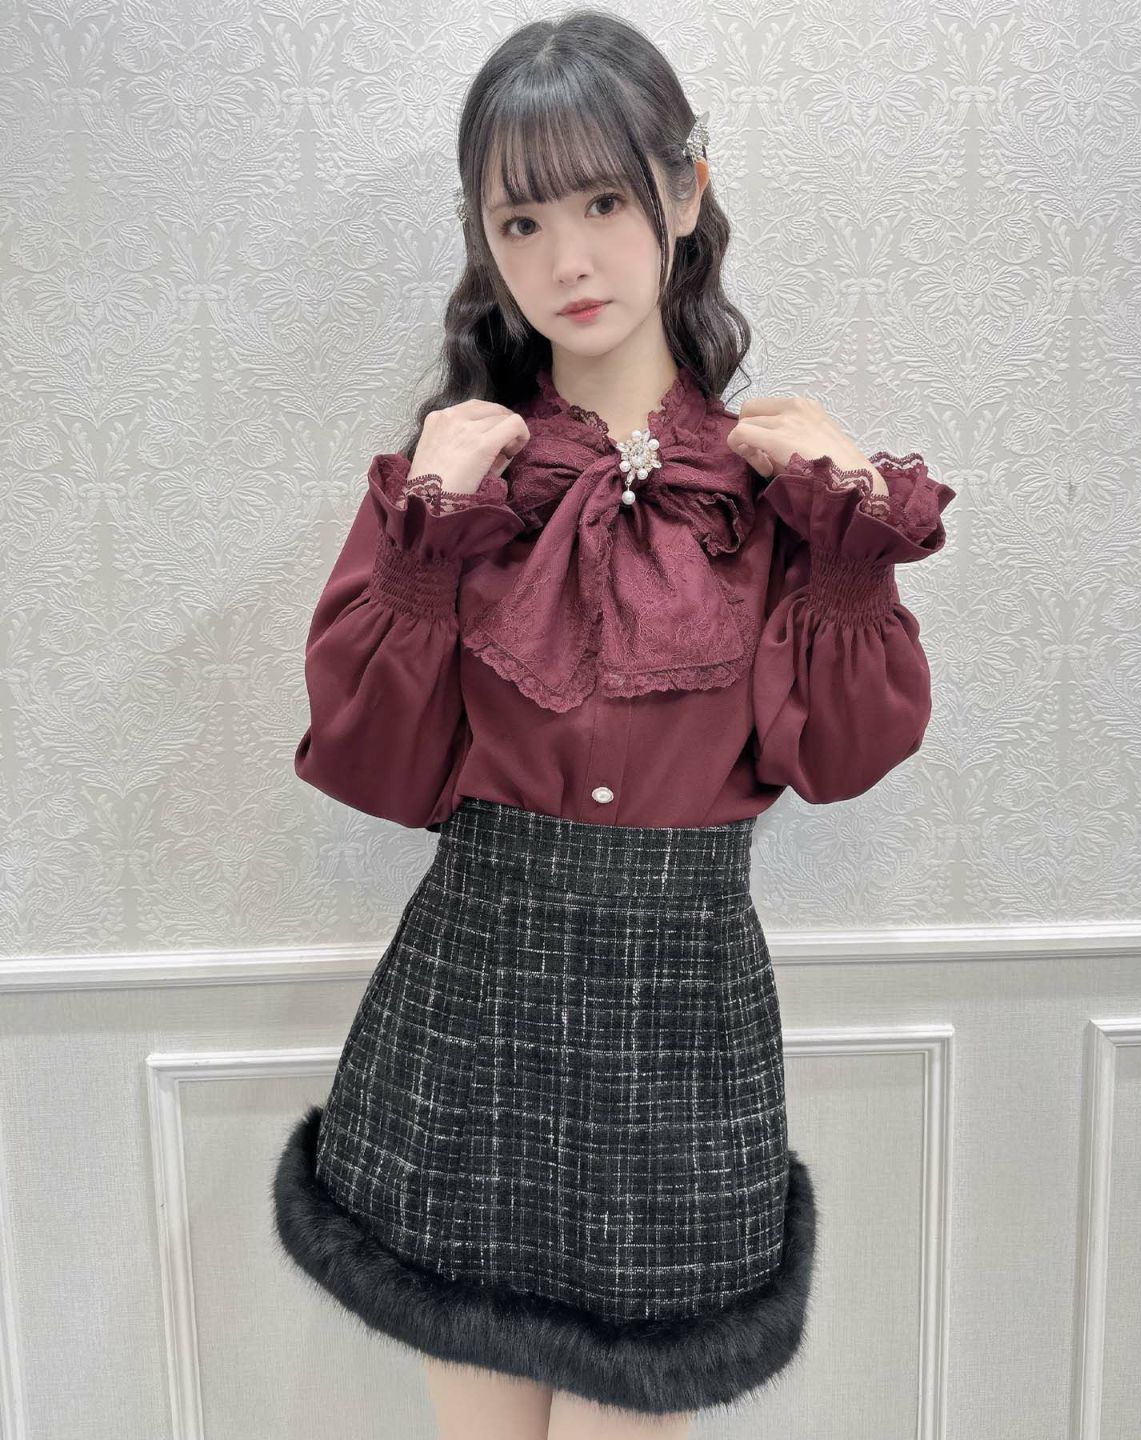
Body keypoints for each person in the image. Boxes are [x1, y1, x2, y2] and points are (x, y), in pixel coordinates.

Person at [270, 8, 956, 1439]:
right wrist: (433, 526)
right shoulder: (454, 489)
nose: (566, 261)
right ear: (485, 243)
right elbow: (374, 761)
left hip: (684, 1027)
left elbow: (844, 756)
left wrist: (849, 533)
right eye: (520, 222)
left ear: (685, 194)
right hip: (470, 1015)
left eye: (600, 202)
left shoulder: (781, 491)